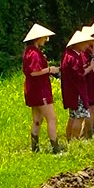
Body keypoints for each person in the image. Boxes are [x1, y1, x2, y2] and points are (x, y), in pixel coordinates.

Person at [22, 23, 61, 154]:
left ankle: (35, 148)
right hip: (40, 89)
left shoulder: (29, 51)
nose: (46, 40)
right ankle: (55, 147)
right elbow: (34, 72)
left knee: (37, 119)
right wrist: (51, 69)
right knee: (51, 118)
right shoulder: (34, 53)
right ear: (38, 38)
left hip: (32, 89)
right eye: (45, 37)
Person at [61, 29, 94, 142]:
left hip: (71, 91)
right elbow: (80, 74)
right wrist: (91, 66)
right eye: (85, 43)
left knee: (72, 116)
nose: (87, 46)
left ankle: (69, 140)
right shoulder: (73, 57)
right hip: (77, 92)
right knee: (79, 117)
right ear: (78, 43)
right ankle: (75, 140)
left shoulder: (69, 55)